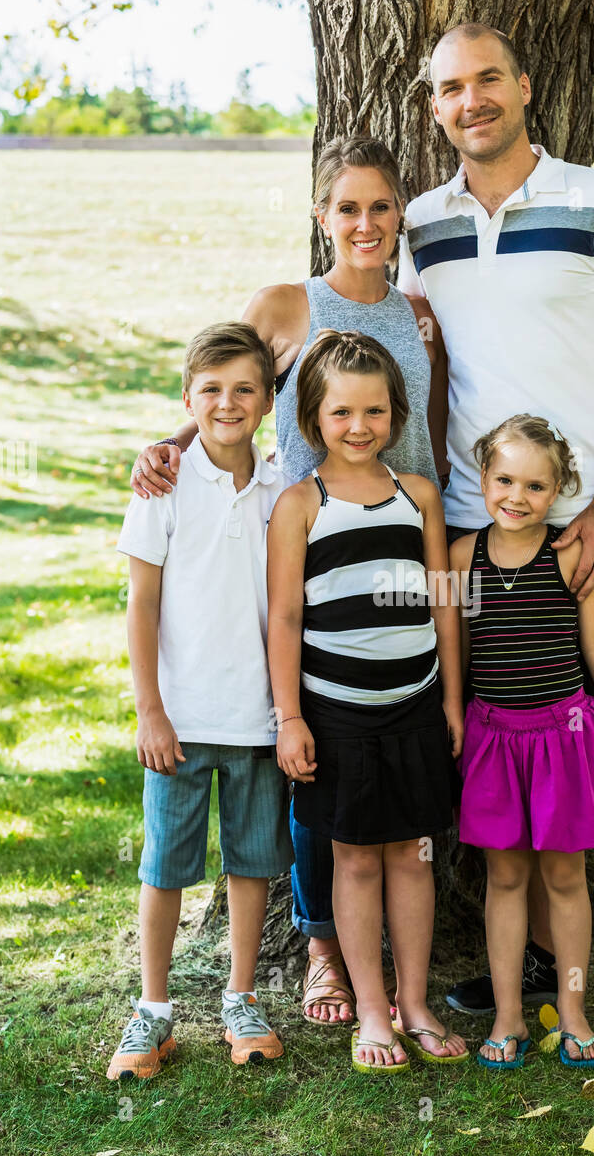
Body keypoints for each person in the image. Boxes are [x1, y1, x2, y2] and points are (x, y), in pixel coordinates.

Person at [398, 22, 594, 1050]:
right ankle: (526, 953)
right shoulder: (420, 225)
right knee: (498, 732)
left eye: (488, 78)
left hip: (593, 527)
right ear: (434, 106)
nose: (471, 98)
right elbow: (403, 373)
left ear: (525, 88)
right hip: (473, 539)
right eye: (451, 87)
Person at [127, 136, 451, 1029]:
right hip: (305, 550)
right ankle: (322, 951)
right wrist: (170, 446)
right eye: (346, 208)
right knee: (314, 757)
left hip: (399, 539)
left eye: (380, 207)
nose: (365, 224)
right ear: (322, 217)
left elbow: (433, 423)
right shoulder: (286, 303)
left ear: (399, 215)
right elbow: (230, 393)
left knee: (396, 759)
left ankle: (404, 973)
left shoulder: (419, 314)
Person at [267, 328, 468, 1072]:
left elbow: (445, 602)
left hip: (415, 703)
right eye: (343, 412)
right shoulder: (300, 505)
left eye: (375, 412)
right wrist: (290, 717)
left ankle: (415, 1002)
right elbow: (285, 617)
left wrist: (451, 699)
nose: (359, 427)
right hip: (336, 713)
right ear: (313, 417)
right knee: (353, 861)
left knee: (415, 856)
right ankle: (374, 1013)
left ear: (397, 414)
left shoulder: (419, 496)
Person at [107, 323, 293, 1081]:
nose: (227, 403)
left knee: (250, 864)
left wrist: (288, 710)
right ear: (187, 400)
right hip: (177, 725)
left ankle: (241, 996)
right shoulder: (165, 484)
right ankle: (153, 1009)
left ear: (268, 400)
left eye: (245, 388)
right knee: (166, 869)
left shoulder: (284, 489)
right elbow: (141, 605)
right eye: (211, 390)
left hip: (258, 720)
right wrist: (150, 710)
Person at [450, 416, 594, 1069]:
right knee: (504, 877)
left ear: (557, 491)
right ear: (483, 479)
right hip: (494, 738)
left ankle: (574, 1010)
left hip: (565, 736)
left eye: (535, 484)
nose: (516, 496)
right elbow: (456, 648)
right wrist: (454, 714)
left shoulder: (568, 554)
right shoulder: (459, 555)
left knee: (564, 873)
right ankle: (507, 1016)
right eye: (504, 480)